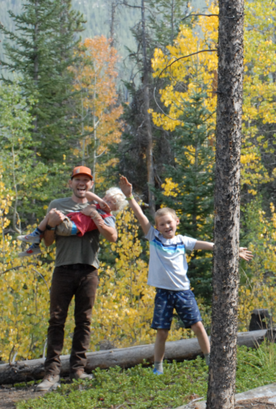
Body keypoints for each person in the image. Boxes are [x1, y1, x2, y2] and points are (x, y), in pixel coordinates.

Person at [118, 175, 253, 375]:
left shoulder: (182, 241)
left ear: (176, 222)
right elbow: (141, 217)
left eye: (169, 223)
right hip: (163, 293)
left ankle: (210, 359)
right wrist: (129, 197)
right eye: (162, 224)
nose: (166, 227)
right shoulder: (154, 238)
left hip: (183, 292)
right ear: (157, 227)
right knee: (162, 332)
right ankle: (158, 367)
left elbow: (209, 245)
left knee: (198, 326)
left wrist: (234, 249)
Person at [36, 166, 119, 392]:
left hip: (89, 270)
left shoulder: (101, 207)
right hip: (62, 268)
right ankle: (51, 374)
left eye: (86, 180)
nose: (82, 183)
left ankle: (78, 370)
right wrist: (51, 225)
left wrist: (96, 217)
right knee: (56, 321)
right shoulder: (57, 204)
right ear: (70, 183)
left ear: (91, 185)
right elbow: (48, 241)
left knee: (84, 321)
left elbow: (113, 237)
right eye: (77, 180)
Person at [17, 188, 128, 257]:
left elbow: (113, 234)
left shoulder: (108, 216)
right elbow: (87, 194)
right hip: (70, 221)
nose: (106, 202)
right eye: (106, 198)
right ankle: (35, 243)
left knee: (52, 215)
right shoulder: (98, 204)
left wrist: (96, 216)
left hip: (73, 227)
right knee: (50, 214)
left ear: (116, 208)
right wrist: (100, 200)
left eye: (110, 202)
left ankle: (35, 236)